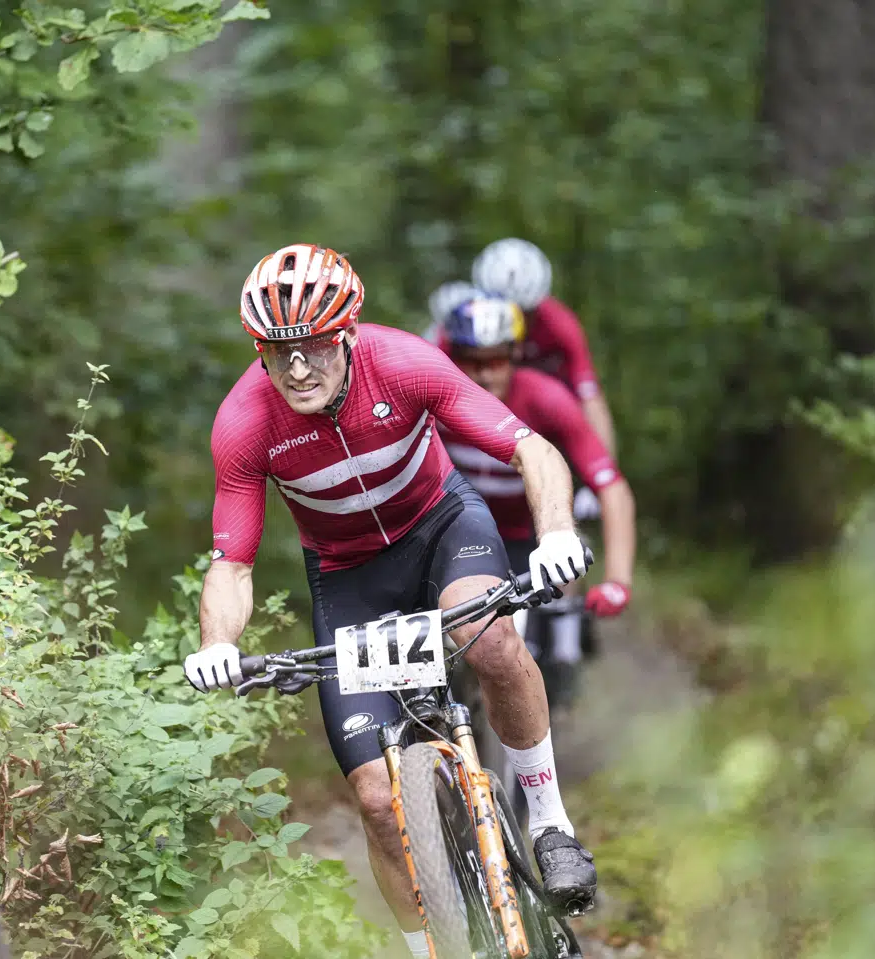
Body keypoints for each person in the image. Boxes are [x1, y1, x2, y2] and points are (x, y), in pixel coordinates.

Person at [185, 243, 600, 955]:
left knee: (493, 637)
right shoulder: (246, 423)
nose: (296, 368)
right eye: (277, 351)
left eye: (314, 345)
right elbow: (232, 564)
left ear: (346, 332)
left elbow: (531, 448)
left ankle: (550, 820)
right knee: (379, 800)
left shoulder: (404, 363)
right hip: (349, 579)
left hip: (442, 528)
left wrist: (556, 531)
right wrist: (218, 644)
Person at [436, 292, 636, 712]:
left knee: (562, 568)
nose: (485, 375)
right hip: (458, 533)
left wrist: (618, 580)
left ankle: (563, 660)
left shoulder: (547, 399)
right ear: (451, 358)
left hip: (526, 532)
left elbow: (612, 488)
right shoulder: (432, 393)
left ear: (515, 356)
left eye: (496, 361)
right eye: (472, 362)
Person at [470, 238, 619, 459]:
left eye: (525, 313)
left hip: (547, 421)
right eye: (504, 314)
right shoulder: (461, 322)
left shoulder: (560, 325)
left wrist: (606, 471)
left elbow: (590, 398)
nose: (515, 323)